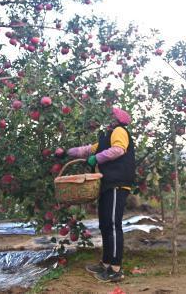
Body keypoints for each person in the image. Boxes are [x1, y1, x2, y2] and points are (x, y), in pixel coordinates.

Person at [67, 106, 136, 283]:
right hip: (107, 184)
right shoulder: (107, 136)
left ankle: (116, 269)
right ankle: (106, 263)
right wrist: (67, 152)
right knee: (105, 224)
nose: (107, 119)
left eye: (110, 116)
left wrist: (96, 159)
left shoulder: (119, 131)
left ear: (117, 120)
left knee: (112, 225)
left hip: (117, 184)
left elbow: (119, 149)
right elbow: (89, 149)